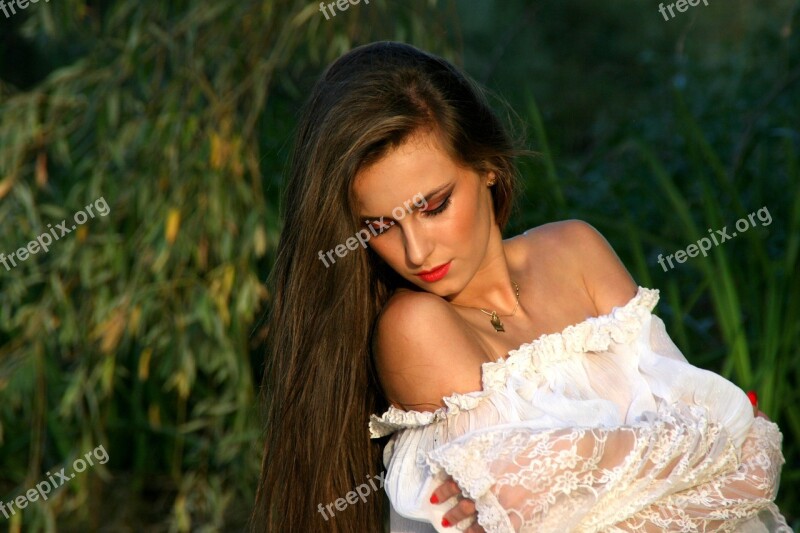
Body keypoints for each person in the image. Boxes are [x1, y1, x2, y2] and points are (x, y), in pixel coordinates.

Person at [252, 41, 791, 532]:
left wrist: (578, 472)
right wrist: (706, 443)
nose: (416, 252)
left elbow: (752, 466)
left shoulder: (578, 250)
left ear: (487, 167)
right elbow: (725, 439)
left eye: (434, 206)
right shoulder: (415, 329)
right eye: (380, 227)